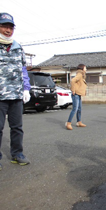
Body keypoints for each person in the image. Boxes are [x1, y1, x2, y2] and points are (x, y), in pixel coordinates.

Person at [0, 13, 31, 169]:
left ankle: (17, 154)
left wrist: (26, 88)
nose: (8, 30)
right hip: (0, 95)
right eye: (4, 26)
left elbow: (23, 70)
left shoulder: (18, 47)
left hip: (16, 94)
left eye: (10, 27)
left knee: (17, 127)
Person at [65, 64, 87, 130]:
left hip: (78, 94)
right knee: (75, 109)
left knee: (79, 109)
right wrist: (73, 90)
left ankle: (79, 122)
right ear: (82, 68)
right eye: (85, 68)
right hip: (76, 94)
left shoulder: (82, 75)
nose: (86, 69)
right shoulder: (80, 74)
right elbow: (72, 81)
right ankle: (68, 123)